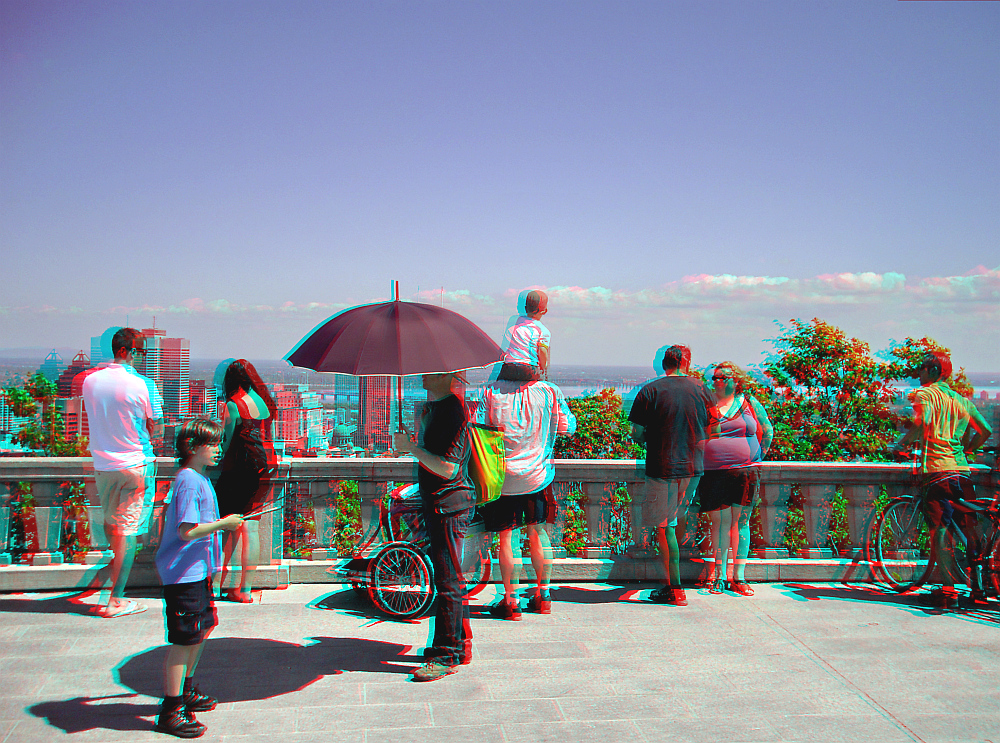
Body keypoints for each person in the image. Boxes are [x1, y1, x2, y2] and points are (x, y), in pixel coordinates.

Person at [154, 419, 244, 738]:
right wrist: (224, 525)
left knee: (201, 630)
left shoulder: (199, 478)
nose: (219, 450)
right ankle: (171, 709)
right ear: (193, 448)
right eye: (214, 445)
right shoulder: (189, 480)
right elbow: (187, 531)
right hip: (184, 574)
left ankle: (186, 691)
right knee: (185, 639)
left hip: (198, 572)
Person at [890, 351, 992, 608]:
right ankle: (978, 585)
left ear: (934, 371)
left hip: (936, 470)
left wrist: (901, 445)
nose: (919, 374)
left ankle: (947, 589)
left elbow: (922, 423)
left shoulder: (924, 395)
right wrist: (967, 449)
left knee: (940, 530)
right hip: (961, 470)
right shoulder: (961, 400)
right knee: (967, 528)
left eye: (923, 369)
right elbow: (985, 431)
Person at [393, 372, 475, 681]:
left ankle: (446, 655)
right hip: (441, 503)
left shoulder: (452, 411)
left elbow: (447, 466)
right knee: (449, 580)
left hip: (448, 505)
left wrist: (411, 448)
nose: (422, 374)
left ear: (445, 375)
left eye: (429, 369)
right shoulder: (438, 408)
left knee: (448, 582)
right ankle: (457, 645)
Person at [477, 366, 577, 619]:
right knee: (537, 533)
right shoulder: (549, 391)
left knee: (506, 539)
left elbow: (477, 428)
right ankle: (543, 595)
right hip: (538, 475)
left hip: (503, 476)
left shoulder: (489, 392)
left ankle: (511, 601)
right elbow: (567, 427)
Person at [81, 327, 163, 618]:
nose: (142, 357)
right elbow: (157, 427)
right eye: (140, 351)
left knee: (113, 526)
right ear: (126, 350)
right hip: (134, 464)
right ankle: (116, 599)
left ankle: (113, 585)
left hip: (102, 466)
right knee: (127, 530)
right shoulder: (144, 385)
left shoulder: (89, 382)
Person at [628, 345, 714, 606]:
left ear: (663, 364)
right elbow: (714, 428)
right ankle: (673, 584)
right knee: (676, 523)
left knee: (665, 528)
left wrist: (650, 442)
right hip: (693, 467)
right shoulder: (701, 389)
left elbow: (636, 433)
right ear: (686, 363)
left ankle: (673, 588)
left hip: (662, 465)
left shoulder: (650, 390)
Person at [697, 362, 772, 596]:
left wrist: (757, 456)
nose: (717, 381)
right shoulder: (706, 405)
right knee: (719, 523)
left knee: (740, 524)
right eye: (714, 378)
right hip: (713, 472)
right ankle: (719, 576)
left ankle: (738, 576)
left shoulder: (749, 402)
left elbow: (767, 430)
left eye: (722, 377)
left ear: (736, 380)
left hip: (746, 472)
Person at [213, 359, 278, 603]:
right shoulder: (262, 402)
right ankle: (245, 590)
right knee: (250, 529)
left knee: (224, 527)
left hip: (239, 471)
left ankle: (215, 587)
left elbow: (226, 442)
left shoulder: (233, 405)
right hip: (264, 470)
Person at [500, 290, 551, 380]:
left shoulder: (514, 326)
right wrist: (544, 367)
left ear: (525, 308)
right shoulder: (543, 330)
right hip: (528, 369)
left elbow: (505, 348)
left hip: (509, 367)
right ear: (545, 311)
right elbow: (542, 351)